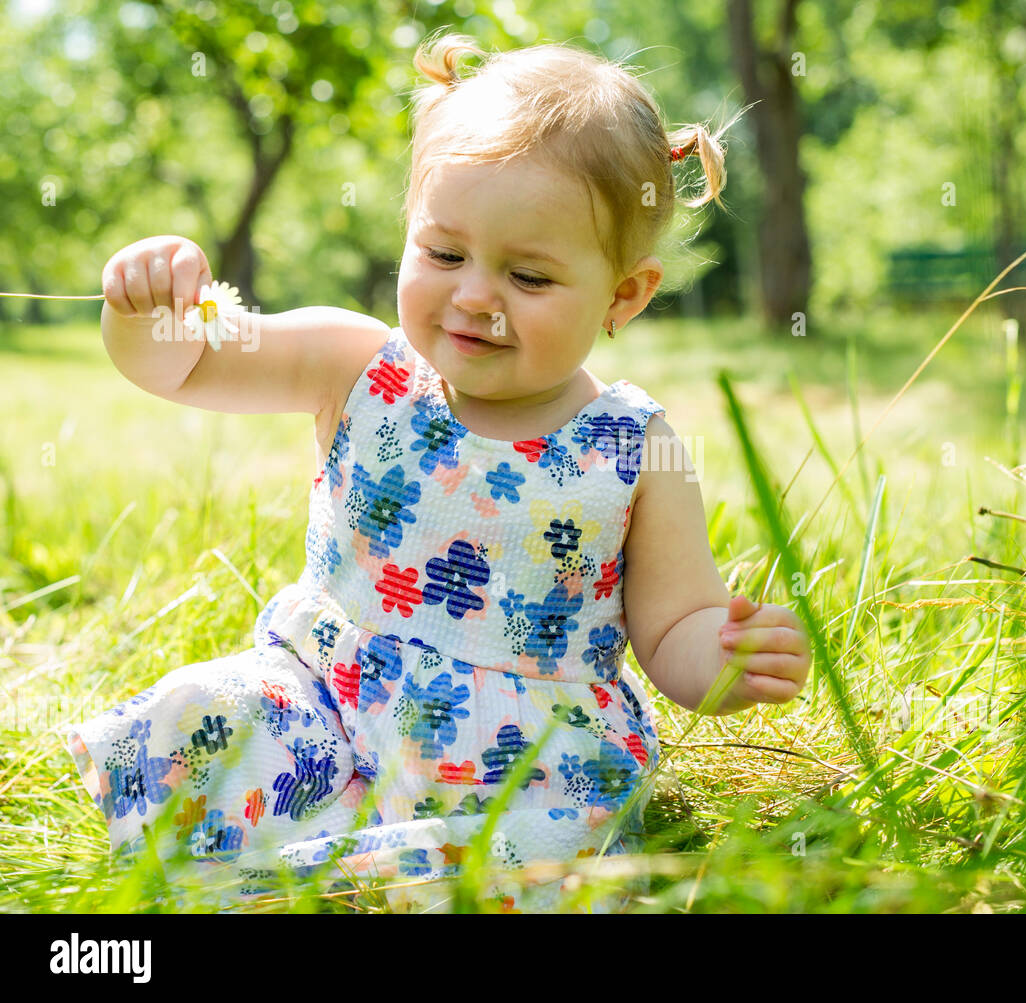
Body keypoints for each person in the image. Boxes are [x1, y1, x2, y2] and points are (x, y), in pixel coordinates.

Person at [65, 28, 812, 913]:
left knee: (527, 860)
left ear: (624, 295)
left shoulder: (633, 446)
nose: (473, 297)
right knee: (212, 716)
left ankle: (393, 882)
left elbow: (671, 627)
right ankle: (271, 877)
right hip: (326, 703)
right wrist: (146, 309)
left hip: (519, 755)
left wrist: (723, 659)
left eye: (528, 276)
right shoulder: (353, 362)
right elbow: (183, 366)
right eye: (444, 254)